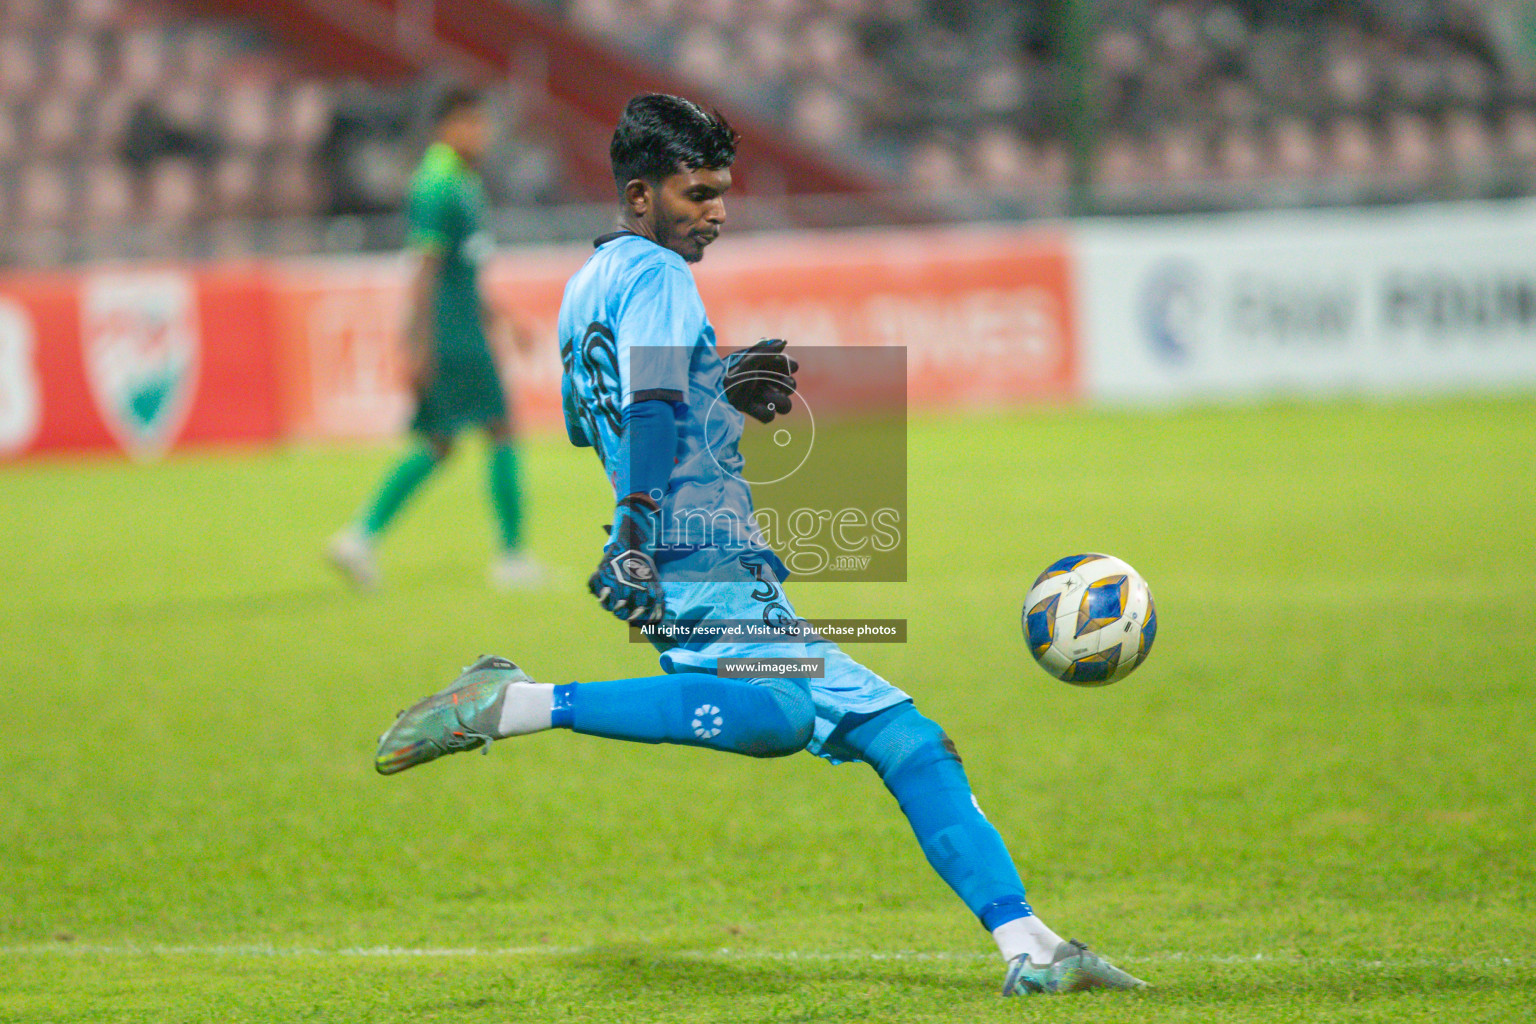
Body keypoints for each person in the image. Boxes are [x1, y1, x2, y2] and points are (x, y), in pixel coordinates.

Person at [372, 94, 1146, 997]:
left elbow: (603, 423)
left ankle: (1033, 947)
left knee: (907, 737)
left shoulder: (589, 285)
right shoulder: (660, 275)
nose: (717, 210)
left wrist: (723, 387)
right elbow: (650, 406)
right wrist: (640, 522)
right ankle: (513, 704)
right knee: (777, 716)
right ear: (638, 196)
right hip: (693, 551)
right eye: (696, 192)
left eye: (723, 192)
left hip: (706, 544)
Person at [328, 85, 543, 591]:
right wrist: (417, 344)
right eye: (472, 123)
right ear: (446, 126)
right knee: (501, 428)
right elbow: (423, 270)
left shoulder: (460, 181)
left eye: (483, 123)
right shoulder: (437, 185)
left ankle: (358, 539)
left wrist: (504, 318)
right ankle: (512, 558)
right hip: (451, 335)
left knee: (439, 443)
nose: (482, 134)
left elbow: (458, 270)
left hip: (461, 325)